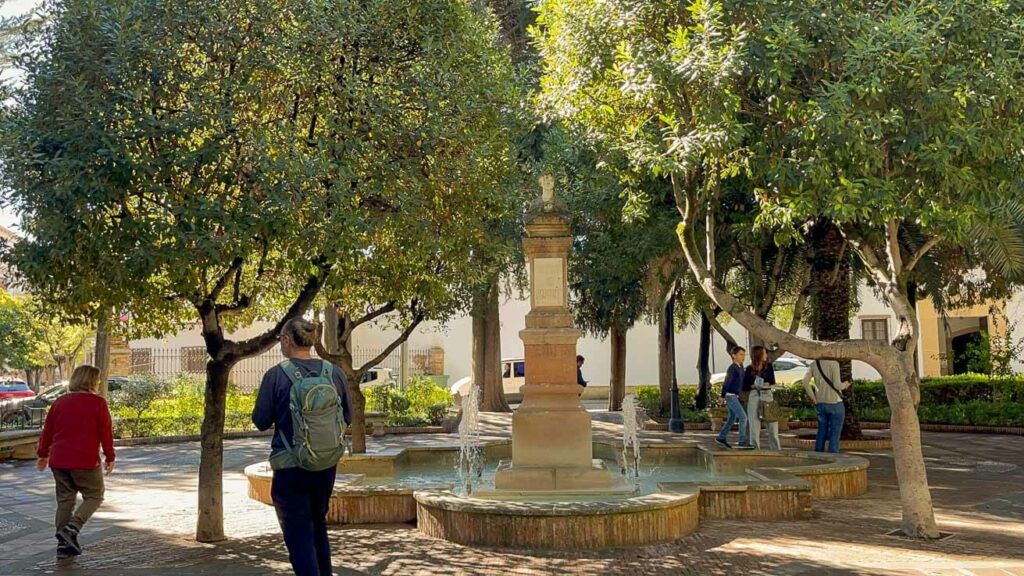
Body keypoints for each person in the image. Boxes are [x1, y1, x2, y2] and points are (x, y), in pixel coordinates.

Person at [253, 318, 351, 576]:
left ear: (286, 340)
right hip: (326, 465)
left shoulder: (276, 375)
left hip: (290, 467)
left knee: (298, 536)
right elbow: (347, 417)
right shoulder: (334, 373)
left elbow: (261, 421)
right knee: (318, 526)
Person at [36, 364, 115, 560]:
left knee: (65, 500)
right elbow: (105, 432)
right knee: (95, 496)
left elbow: (48, 431)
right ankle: (72, 528)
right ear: (92, 381)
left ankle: (63, 546)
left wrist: (43, 454)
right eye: (97, 380)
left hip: (59, 460)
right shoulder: (98, 403)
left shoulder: (60, 402)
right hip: (84, 460)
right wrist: (110, 456)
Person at [802, 358, 845, 453]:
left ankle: (819, 455)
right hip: (835, 402)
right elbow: (837, 385)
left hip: (820, 402)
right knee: (835, 432)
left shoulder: (814, 364)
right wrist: (846, 384)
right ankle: (833, 457)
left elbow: (805, 381)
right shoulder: (834, 363)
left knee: (821, 430)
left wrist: (813, 397)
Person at [744, 346, 781, 450]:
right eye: (764, 353)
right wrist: (754, 385)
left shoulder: (768, 366)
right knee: (754, 426)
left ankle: (776, 451)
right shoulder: (749, 369)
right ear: (758, 354)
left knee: (772, 425)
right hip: (755, 395)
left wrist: (765, 383)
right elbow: (745, 386)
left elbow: (772, 381)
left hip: (767, 394)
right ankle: (755, 450)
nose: (766, 355)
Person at [716, 347, 752, 449]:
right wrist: (722, 396)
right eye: (741, 354)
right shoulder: (732, 368)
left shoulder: (740, 367)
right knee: (743, 417)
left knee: (731, 419)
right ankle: (742, 441)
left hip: (735, 396)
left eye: (744, 355)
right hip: (730, 396)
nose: (743, 357)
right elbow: (726, 383)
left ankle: (721, 437)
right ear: (734, 356)